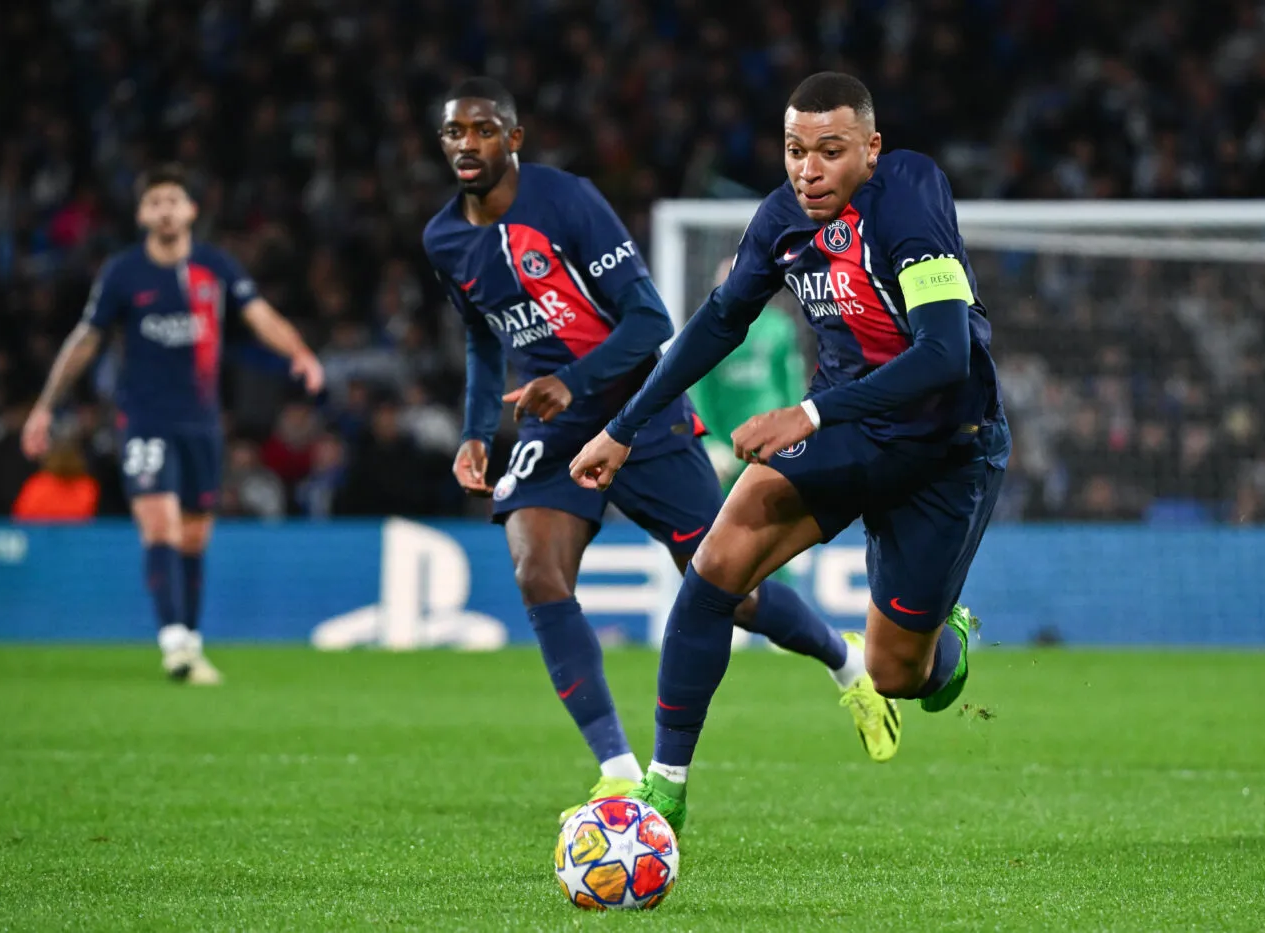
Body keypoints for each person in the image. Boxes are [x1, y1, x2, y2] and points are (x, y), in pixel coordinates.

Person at [422, 78, 901, 822]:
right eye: (454, 133)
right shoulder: (444, 239)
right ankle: (617, 771)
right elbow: (484, 338)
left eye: (483, 130)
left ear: (512, 139)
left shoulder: (568, 203)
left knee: (732, 592)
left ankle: (848, 666)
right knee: (538, 572)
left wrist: (573, 380)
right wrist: (476, 432)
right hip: (552, 426)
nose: (467, 144)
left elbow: (650, 322)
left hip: (639, 411)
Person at [570, 72, 1008, 832]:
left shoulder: (911, 197)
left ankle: (948, 644)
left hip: (946, 448)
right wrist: (623, 427)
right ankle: (663, 792)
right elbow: (716, 322)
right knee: (713, 572)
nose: (809, 169)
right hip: (846, 434)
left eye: (830, 152)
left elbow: (944, 356)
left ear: (871, 150)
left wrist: (806, 412)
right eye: (795, 150)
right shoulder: (782, 220)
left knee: (898, 673)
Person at [21, 164, 324, 684]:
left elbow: (259, 316)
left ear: (191, 210)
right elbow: (85, 340)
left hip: (202, 422)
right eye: (154, 201)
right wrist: (46, 403)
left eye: (173, 200)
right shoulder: (123, 272)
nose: (164, 209)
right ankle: (175, 643)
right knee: (158, 523)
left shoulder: (216, 267)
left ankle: (189, 637)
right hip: (143, 418)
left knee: (194, 537)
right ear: (142, 214)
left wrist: (299, 351)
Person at [687, 258, 807, 493]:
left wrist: (795, 436)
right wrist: (707, 443)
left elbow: (792, 387)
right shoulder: (703, 333)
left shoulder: (778, 327)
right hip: (725, 450)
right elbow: (696, 397)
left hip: (771, 444)